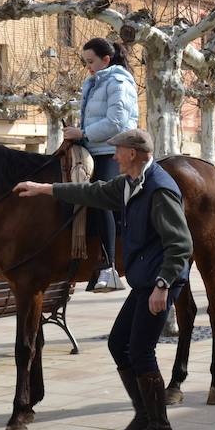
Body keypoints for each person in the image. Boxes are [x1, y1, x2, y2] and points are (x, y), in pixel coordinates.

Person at [14, 129, 190, 430]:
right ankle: (144, 415)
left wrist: (162, 286)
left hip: (161, 281)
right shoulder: (129, 184)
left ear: (133, 154)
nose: (114, 157)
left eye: (118, 151)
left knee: (140, 350)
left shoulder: (159, 189)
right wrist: (43, 189)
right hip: (145, 280)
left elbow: (180, 245)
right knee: (118, 343)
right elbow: (90, 193)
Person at [63, 37, 139, 291]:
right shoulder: (92, 82)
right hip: (92, 148)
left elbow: (117, 123)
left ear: (106, 60)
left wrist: (82, 134)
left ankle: (109, 266)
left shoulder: (118, 81)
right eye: (86, 62)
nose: (88, 67)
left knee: (101, 197)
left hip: (113, 150)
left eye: (91, 61)